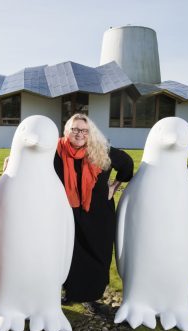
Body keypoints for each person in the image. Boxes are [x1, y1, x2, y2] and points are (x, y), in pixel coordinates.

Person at [55, 113, 133, 313]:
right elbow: (32, 156)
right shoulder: (56, 150)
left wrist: (115, 186)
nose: (79, 134)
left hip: (98, 213)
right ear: (67, 131)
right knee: (70, 254)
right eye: (75, 129)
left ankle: (92, 296)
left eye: (84, 130)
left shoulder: (102, 150)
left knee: (97, 254)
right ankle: (71, 293)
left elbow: (126, 163)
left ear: (90, 133)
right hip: (68, 213)